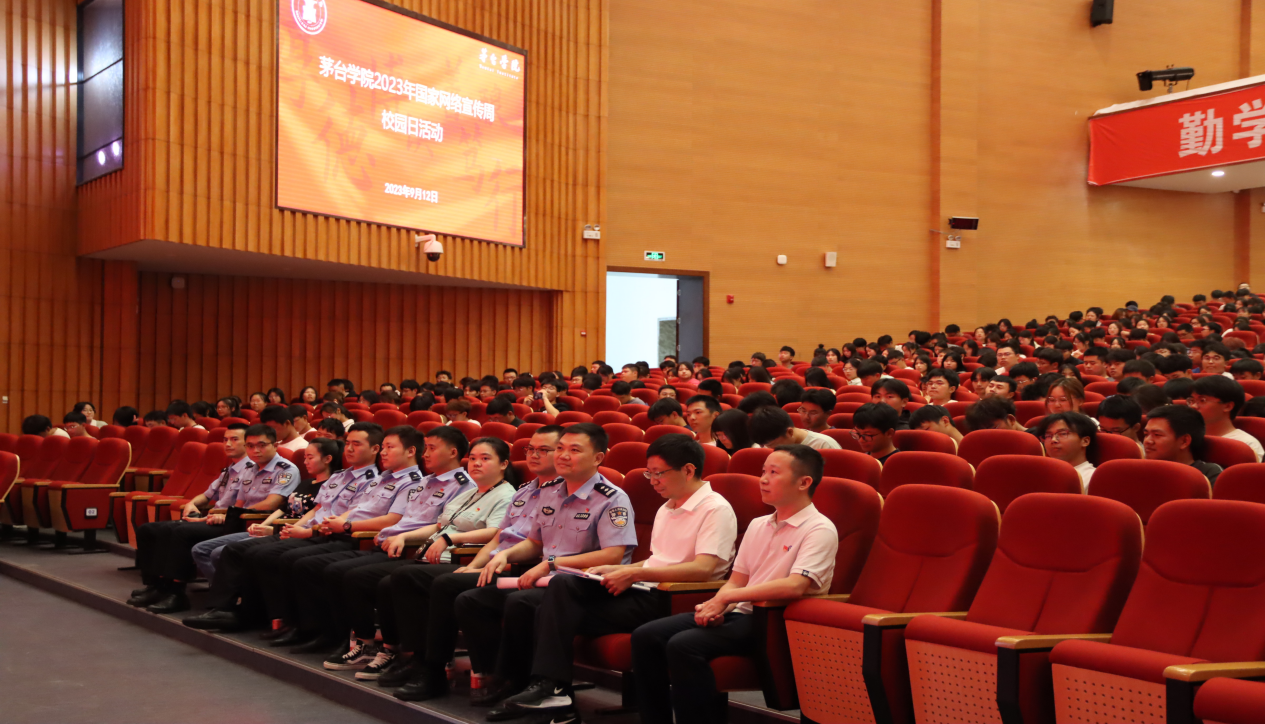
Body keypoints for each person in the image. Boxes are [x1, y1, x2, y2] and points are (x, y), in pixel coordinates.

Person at [494, 435, 739, 722]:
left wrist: (634, 572)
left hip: (675, 597)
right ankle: (552, 690)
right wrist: (616, 569)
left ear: (688, 470)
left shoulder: (714, 508)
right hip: (645, 588)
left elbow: (703, 569)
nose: (653, 481)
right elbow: (660, 559)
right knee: (557, 593)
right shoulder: (667, 506)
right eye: (649, 473)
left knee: (553, 607)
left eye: (659, 473)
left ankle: (555, 691)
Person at [632, 444, 837, 724]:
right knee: (646, 636)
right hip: (741, 612)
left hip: (776, 619)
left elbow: (795, 586)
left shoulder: (819, 528)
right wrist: (717, 606)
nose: (763, 479)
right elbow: (736, 580)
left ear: (804, 482)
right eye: (763, 471)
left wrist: (726, 599)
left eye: (774, 473)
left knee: (683, 645)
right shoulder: (758, 524)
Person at [451, 424, 637, 708]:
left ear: (598, 458)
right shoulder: (549, 492)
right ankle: (499, 678)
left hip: (585, 587)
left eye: (574, 450)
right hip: (546, 580)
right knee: (472, 600)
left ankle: (530, 685)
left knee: (521, 602)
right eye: (560, 448)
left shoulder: (612, 498)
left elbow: (612, 555)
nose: (563, 455)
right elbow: (534, 543)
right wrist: (505, 555)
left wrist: (551, 564)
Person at [383, 426, 565, 699]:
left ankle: (435, 671)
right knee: (407, 577)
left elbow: (535, 547)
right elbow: (498, 538)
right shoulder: (525, 491)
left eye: (543, 450)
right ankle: (421, 660)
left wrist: (485, 560)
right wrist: (474, 567)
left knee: (446, 585)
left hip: (521, 567)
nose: (534, 455)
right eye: (530, 449)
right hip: (494, 561)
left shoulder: (561, 494)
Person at [188, 424, 389, 641]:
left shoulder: (374, 480)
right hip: (308, 530)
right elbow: (317, 509)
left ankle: (285, 620)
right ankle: (228, 610)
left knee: (269, 556)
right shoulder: (339, 476)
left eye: (356, 444)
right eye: (348, 443)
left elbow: (350, 516)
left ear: (375, 449)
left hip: (331, 535)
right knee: (237, 550)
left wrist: (306, 531)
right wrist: (298, 527)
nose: (349, 448)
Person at [339, 437, 518, 680]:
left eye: (485, 459)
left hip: (459, 559)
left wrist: (450, 539)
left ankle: (422, 659)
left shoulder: (506, 495)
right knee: (374, 580)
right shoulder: (470, 493)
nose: (476, 463)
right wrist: (405, 536)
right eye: (473, 458)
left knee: (402, 578)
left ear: (503, 464)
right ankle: (393, 651)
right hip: (430, 556)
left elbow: (495, 533)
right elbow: (439, 525)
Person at [128, 424, 298, 613]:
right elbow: (238, 504)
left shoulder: (286, 470)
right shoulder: (250, 470)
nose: (255, 450)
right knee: (152, 529)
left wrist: (224, 516)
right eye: (251, 446)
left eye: (262, 445)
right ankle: (158, 586)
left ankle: (176, 593)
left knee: (181, 533)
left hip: (256, 524)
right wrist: (221, 515)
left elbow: (271, 504)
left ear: (275, 445)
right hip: (235, 519)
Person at [1142, 405, 1223, 488]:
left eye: (1157, 435)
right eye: (1146, 434)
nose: (1148, 441)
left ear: (1184, 441)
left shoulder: (1207, 474)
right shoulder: (1141, 470)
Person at [1191, 375, 1265, 461]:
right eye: (1192, 400)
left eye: (1202, 400)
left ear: (1228, 406)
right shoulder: (1185, 436)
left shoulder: (1247, 445)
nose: (1193, 406)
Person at [1033, 412, 1098, 492]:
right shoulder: (1039, 475)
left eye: (1062, 434)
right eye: (1048, 436)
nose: (1053, 440)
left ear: (1085, 441)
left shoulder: (1093, 477)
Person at [748, 406, 841, 451]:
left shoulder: (824, 445)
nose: (769, 449)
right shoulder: (762, 445)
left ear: (790, 432)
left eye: (772, 445)